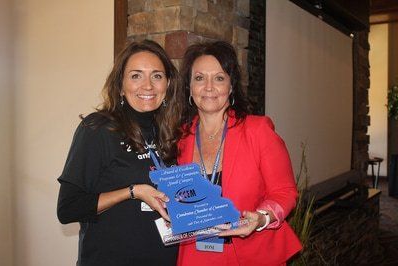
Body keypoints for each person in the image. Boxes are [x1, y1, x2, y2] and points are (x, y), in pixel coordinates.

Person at [57, 40, 183, 266]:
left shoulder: (171, 132)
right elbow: (68, 208)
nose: (147, 86)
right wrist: (132, 192)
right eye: (136, 76)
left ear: (168, 84)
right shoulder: (98, 129)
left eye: (156, 76)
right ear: (120, 85)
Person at [177, 41, 302, 265]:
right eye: (199, 78)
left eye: (219, 78)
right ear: (189, 87)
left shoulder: (258, 130)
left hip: (252, 254)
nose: (208, 87)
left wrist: (262, 218)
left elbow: (285, 192)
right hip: (195, 256)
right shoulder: (179, 138)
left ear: (231, 86)